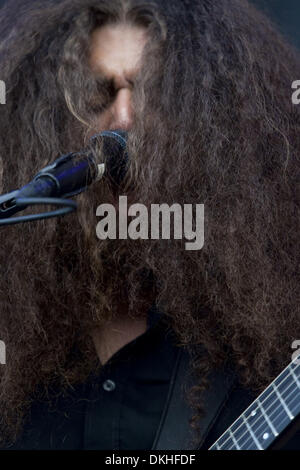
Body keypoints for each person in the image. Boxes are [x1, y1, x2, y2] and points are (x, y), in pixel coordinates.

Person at [0, 0, 299, 450]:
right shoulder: (17, 334)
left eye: (152, 93)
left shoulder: (275, 320)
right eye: (100, 95)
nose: (123, 120)